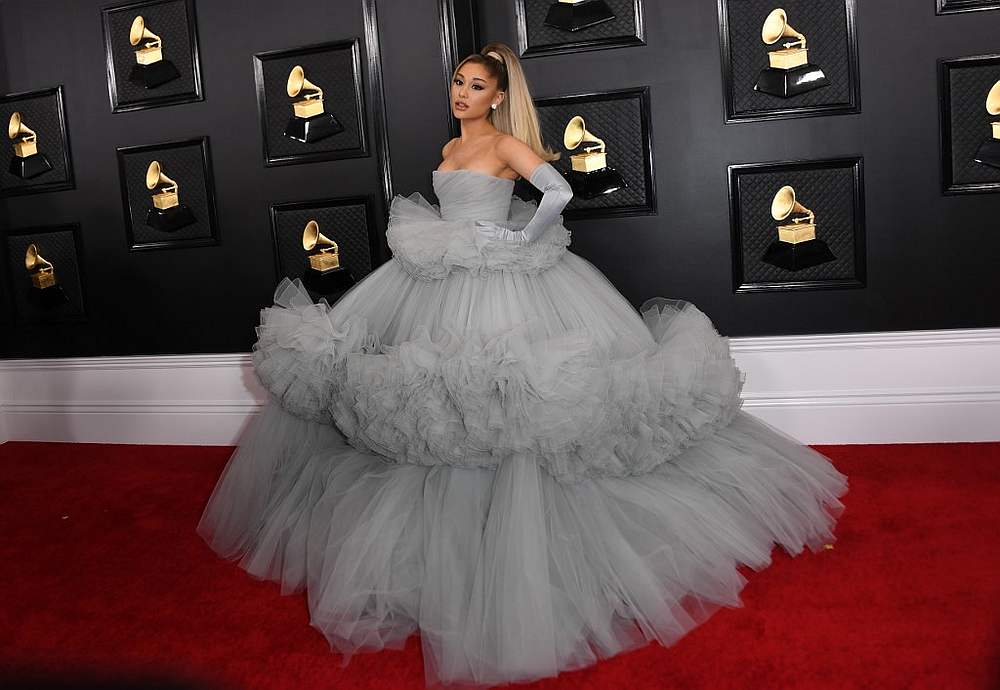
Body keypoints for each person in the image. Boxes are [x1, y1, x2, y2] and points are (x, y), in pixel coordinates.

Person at [197, 41, 848, 688]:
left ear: (500, 97)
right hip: (436, 275)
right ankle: (466, 505)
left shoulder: (505, 146)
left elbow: (558, 191)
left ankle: (516, 521)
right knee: (435, 390)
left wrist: (518, 237)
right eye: (458, 82)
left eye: (477, 87)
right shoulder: (451, 150)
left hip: (503, 279)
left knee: (516, 389)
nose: (462, 94)